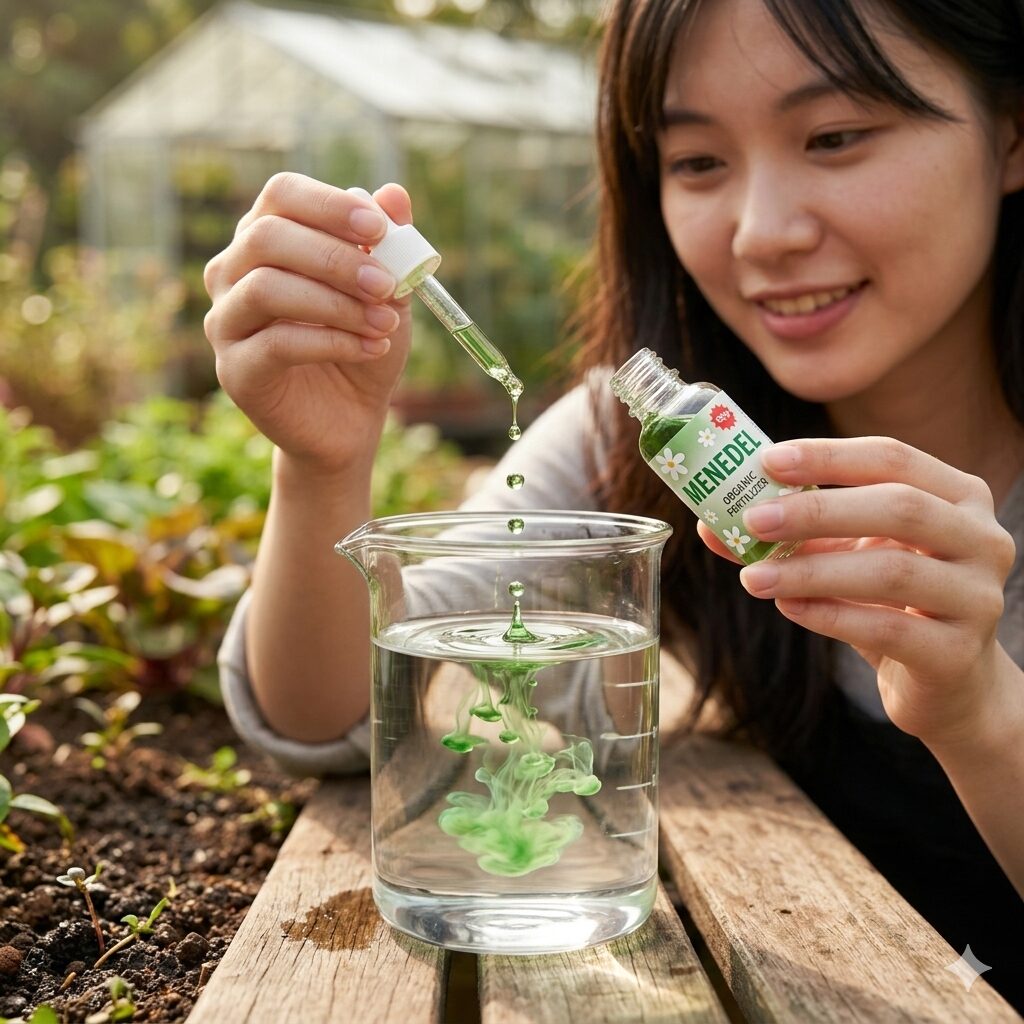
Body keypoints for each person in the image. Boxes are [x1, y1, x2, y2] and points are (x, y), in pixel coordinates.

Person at [203, 0, 1024, 1006]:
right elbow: (319, 713)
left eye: (835, 137)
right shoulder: (642, 454)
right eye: (696, 163)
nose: (761, 233)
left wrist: (980, 711)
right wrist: (323, 464)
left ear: (1011, 129)